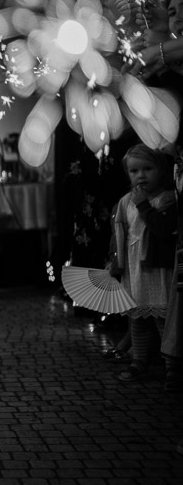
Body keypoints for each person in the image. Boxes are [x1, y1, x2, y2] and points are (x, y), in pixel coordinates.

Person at [109, 144, 179, 387]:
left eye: (147, 169)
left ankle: (172, 365)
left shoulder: (167, 199)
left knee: (163, 318)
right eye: (134, 170)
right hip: (134, 270)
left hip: (159, 271)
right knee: (137, 318)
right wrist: (114, 260)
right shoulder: (125, 202)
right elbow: (119, 233)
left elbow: (162, 230)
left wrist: (144, 205)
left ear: (161, 170)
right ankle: (139, 361)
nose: (140, 175)